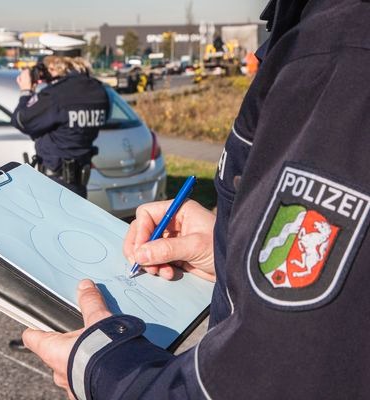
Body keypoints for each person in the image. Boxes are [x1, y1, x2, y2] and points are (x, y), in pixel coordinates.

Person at [21, 0, 370, 398]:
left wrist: (102, 368)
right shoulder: (314, 31)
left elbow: (263, 379)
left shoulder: (341, 53)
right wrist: (230, 243)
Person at [11, 55, 109, 198]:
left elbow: (21, 120)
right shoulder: (98, 90)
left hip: (54, 184)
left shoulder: (56, 94)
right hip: (79, 184)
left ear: (55, 65)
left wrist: (26, 91)